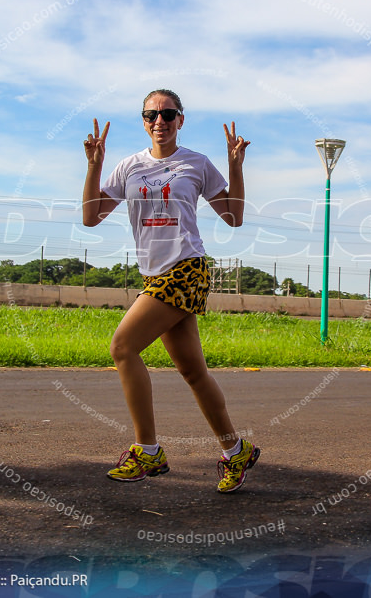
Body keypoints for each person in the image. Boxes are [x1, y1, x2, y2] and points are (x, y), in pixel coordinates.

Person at [82, 88, 260, 493]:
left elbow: (233, 216)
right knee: (193, 372)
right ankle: (237, 451)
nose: (158, 122)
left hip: (186, 269)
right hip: (153, 275)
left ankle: (147, 450)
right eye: (150, 115)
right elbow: (92, 216)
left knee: (122, 347)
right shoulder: (129, 166)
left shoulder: (196, 164)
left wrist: (235, 168)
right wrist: (94, 166)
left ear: (181, 119)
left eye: (168, 114)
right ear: (143, 121)